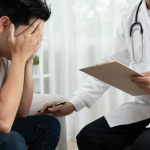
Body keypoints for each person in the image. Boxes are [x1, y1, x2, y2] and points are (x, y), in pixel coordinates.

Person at [36, 0, 150, 149]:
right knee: (89, 136)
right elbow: (110, 66)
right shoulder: (131, 18)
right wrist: (73, 104)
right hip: (145, 105)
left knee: (144, 145)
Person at [0, 0, 61, 150]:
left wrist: (28, 60)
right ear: (4, 25)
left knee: (48, 126)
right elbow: (3, 123)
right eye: (31, 33)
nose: (32, 41)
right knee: (12, 140)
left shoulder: (9, 53)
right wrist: (20, 56)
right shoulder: (14, 52)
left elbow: (22, 111)